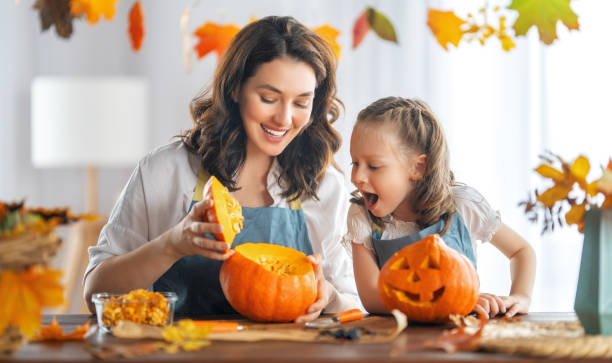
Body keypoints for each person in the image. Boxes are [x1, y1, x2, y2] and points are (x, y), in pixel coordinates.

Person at [83, 16, 360, 322]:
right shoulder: (165, 171)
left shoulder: (325, 186)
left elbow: (356, 303)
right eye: (268, 98)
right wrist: (171, 245)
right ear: (235, 89)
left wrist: (329, 297)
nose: (284, 118)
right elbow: (95, 291)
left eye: (301, 103)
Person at [346, 96, 536, 319]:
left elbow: (521, 252)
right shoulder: (362, 217)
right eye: (355, 163)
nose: (357, 177)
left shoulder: (462, 205)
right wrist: (454, 302)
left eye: (374, 166)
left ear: (418, 167)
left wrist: (521, 297)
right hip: (393, 344)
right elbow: (372, 298)